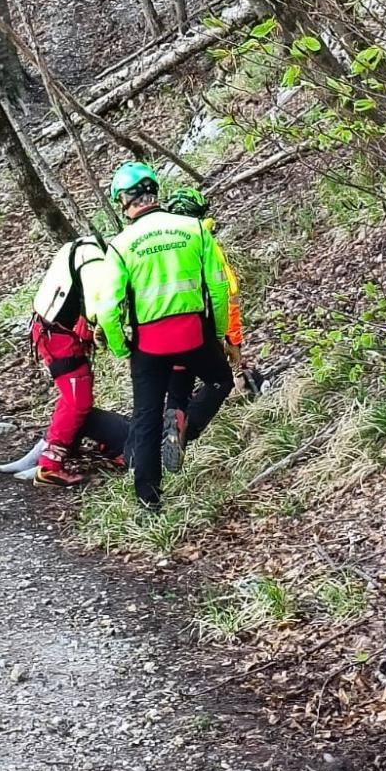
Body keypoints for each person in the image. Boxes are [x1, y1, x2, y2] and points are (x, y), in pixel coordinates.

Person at [94, 162, 233, 511]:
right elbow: (217, 288)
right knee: (220, 380)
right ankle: (187, 423)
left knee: (145, 416)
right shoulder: (194, 229)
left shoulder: (121, 245)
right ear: (154, 190)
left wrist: (120, 347)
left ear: (124, 201)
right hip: (193, 333)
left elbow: (108, 307)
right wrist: (217, 334)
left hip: (150, 343)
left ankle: (149, 500)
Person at [5, 235, 128, 488]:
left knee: (72, 400)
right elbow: (96, 309)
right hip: (60, 339)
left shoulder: (75, 247)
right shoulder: (93, 258)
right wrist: (116, 342)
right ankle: (50, 466)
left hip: (49, 331)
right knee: (77, 403)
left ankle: (46, 453)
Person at [163, 186, 246, 449]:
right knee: (220, 380)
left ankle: (163, 439)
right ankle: (187, 431)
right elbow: (227, 294)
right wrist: (232, 340)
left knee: (177, 389)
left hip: (158, 336)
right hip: (199, 331)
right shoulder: (204, 243)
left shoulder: (156, 250)